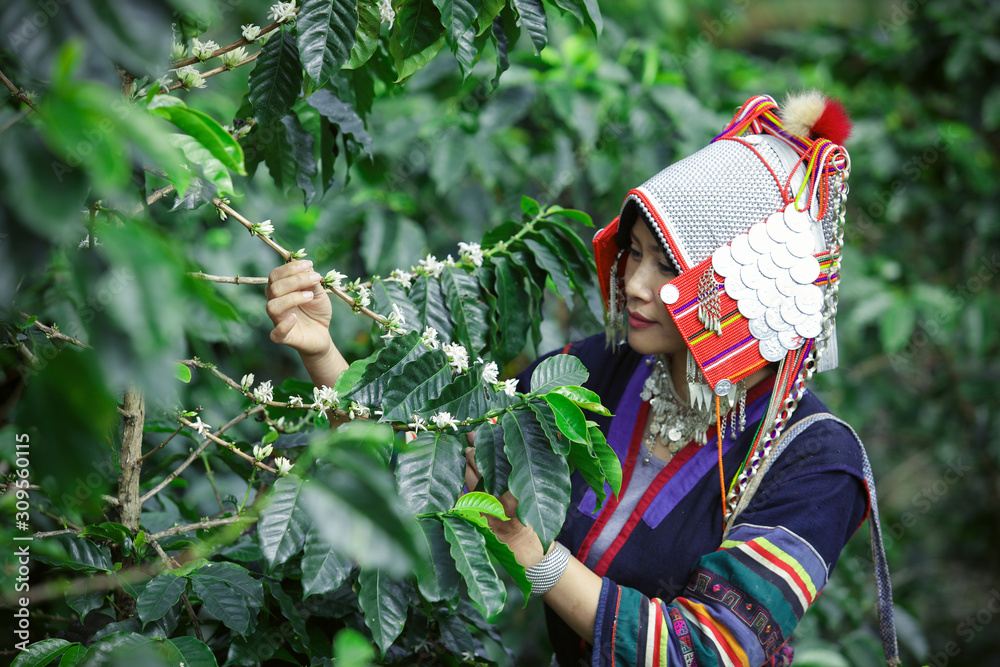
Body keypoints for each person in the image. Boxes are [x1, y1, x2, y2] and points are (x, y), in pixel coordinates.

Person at [266, 92, 899, 667]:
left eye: (669, 264)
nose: (634, 284)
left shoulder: (817, 460)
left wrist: (535, 558)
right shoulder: (594, 372)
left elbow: (708, 651)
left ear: (744, 290)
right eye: (636, 252)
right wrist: (322, 355)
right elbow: (432, 476)